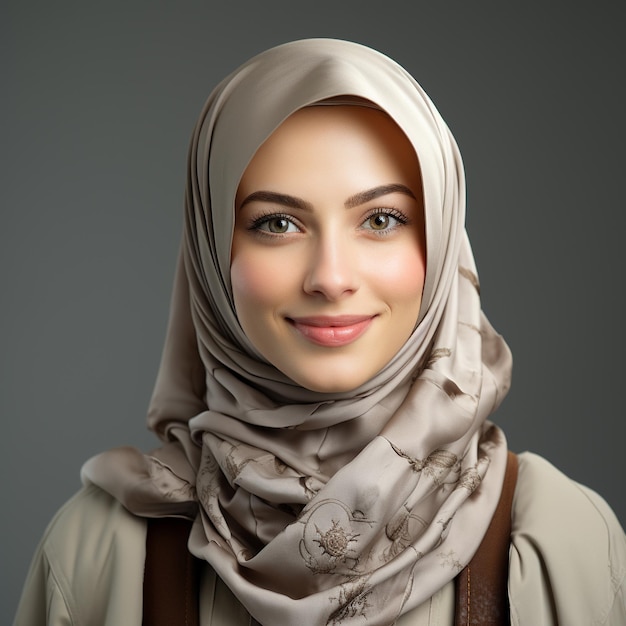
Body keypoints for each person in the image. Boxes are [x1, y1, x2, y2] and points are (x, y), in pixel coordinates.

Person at [14, 38, 626, 626]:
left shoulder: (557, 543)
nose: (331, 278)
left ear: (439, 245)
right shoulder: (100, 554)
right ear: (211, 252)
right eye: (277, 223)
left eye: (381, 219)